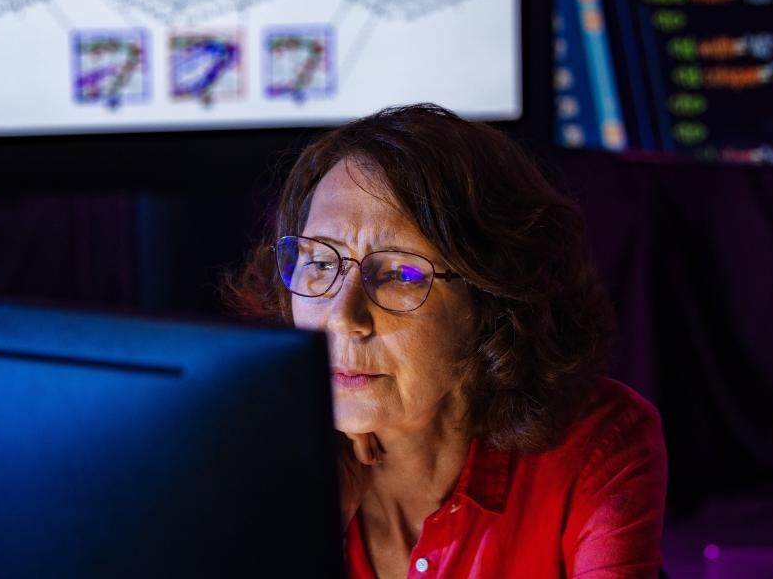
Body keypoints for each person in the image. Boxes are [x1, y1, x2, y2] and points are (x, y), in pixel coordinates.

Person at [229, 104, 667, 577]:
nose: (342, 317)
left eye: (399, 273)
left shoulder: (595, 447)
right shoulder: (249, 449)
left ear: (492, 299)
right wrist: (308, 532)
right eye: (318, 263)